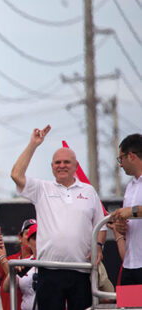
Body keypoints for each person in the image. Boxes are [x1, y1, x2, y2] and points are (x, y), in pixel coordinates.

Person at [10, 124, 107, 310]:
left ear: (76, 166)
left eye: (66, 162)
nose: (62, 166)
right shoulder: (42, 189)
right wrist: (33, 144)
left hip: (82, 270)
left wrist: (98, 246)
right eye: (57, 162)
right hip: (49, 270)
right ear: (52, 167)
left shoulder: (89, 191)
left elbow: (100, 227)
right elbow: (16, 175)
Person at [0, 219, 36, 310]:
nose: (30, 238)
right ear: (20, 237)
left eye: (35, 236)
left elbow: (17, 280)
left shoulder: (38, 259)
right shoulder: (12, 259)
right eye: (28, 233)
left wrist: (2, 259)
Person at [110, 133, 142, 285]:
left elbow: (132, 212)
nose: (120, 164)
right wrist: (120, 227)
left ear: (131, 156)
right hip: (130, 265)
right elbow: (128, 222)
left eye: (120, 158)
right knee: (128, 308)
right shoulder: (130, 187)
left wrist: (132, 211)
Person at [2, 224, 39, 310]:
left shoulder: (55, 262)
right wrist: (13, 272)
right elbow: (6, 288)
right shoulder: (24, 264)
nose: (38, 241)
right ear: (29, 243)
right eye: (35, 238)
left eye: (40, 237)